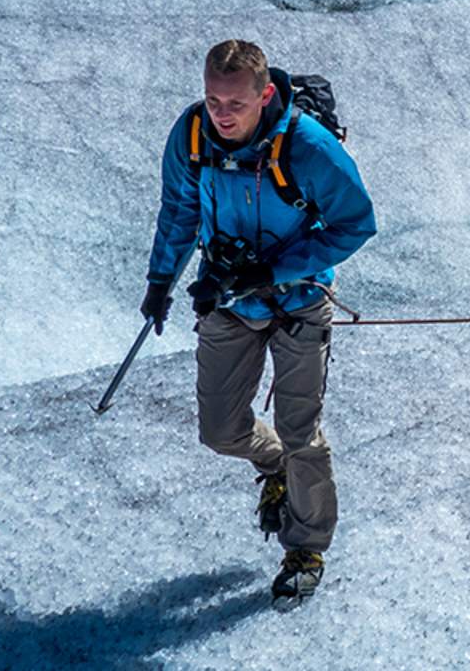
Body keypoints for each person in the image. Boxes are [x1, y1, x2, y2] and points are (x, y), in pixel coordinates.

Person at [142, 40, 377, 606]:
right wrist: (159, 281)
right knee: (219, 430)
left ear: (265, 94)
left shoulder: (308, 147)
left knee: (301, 432)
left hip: (297, 303)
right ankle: (274, 466)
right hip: (226, 299)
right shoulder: (193, 134)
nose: (221, 113)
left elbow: (356, 224)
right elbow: (179, 207)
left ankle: (306, 547)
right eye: (211, 98)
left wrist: (272, 269)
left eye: (234, 103)